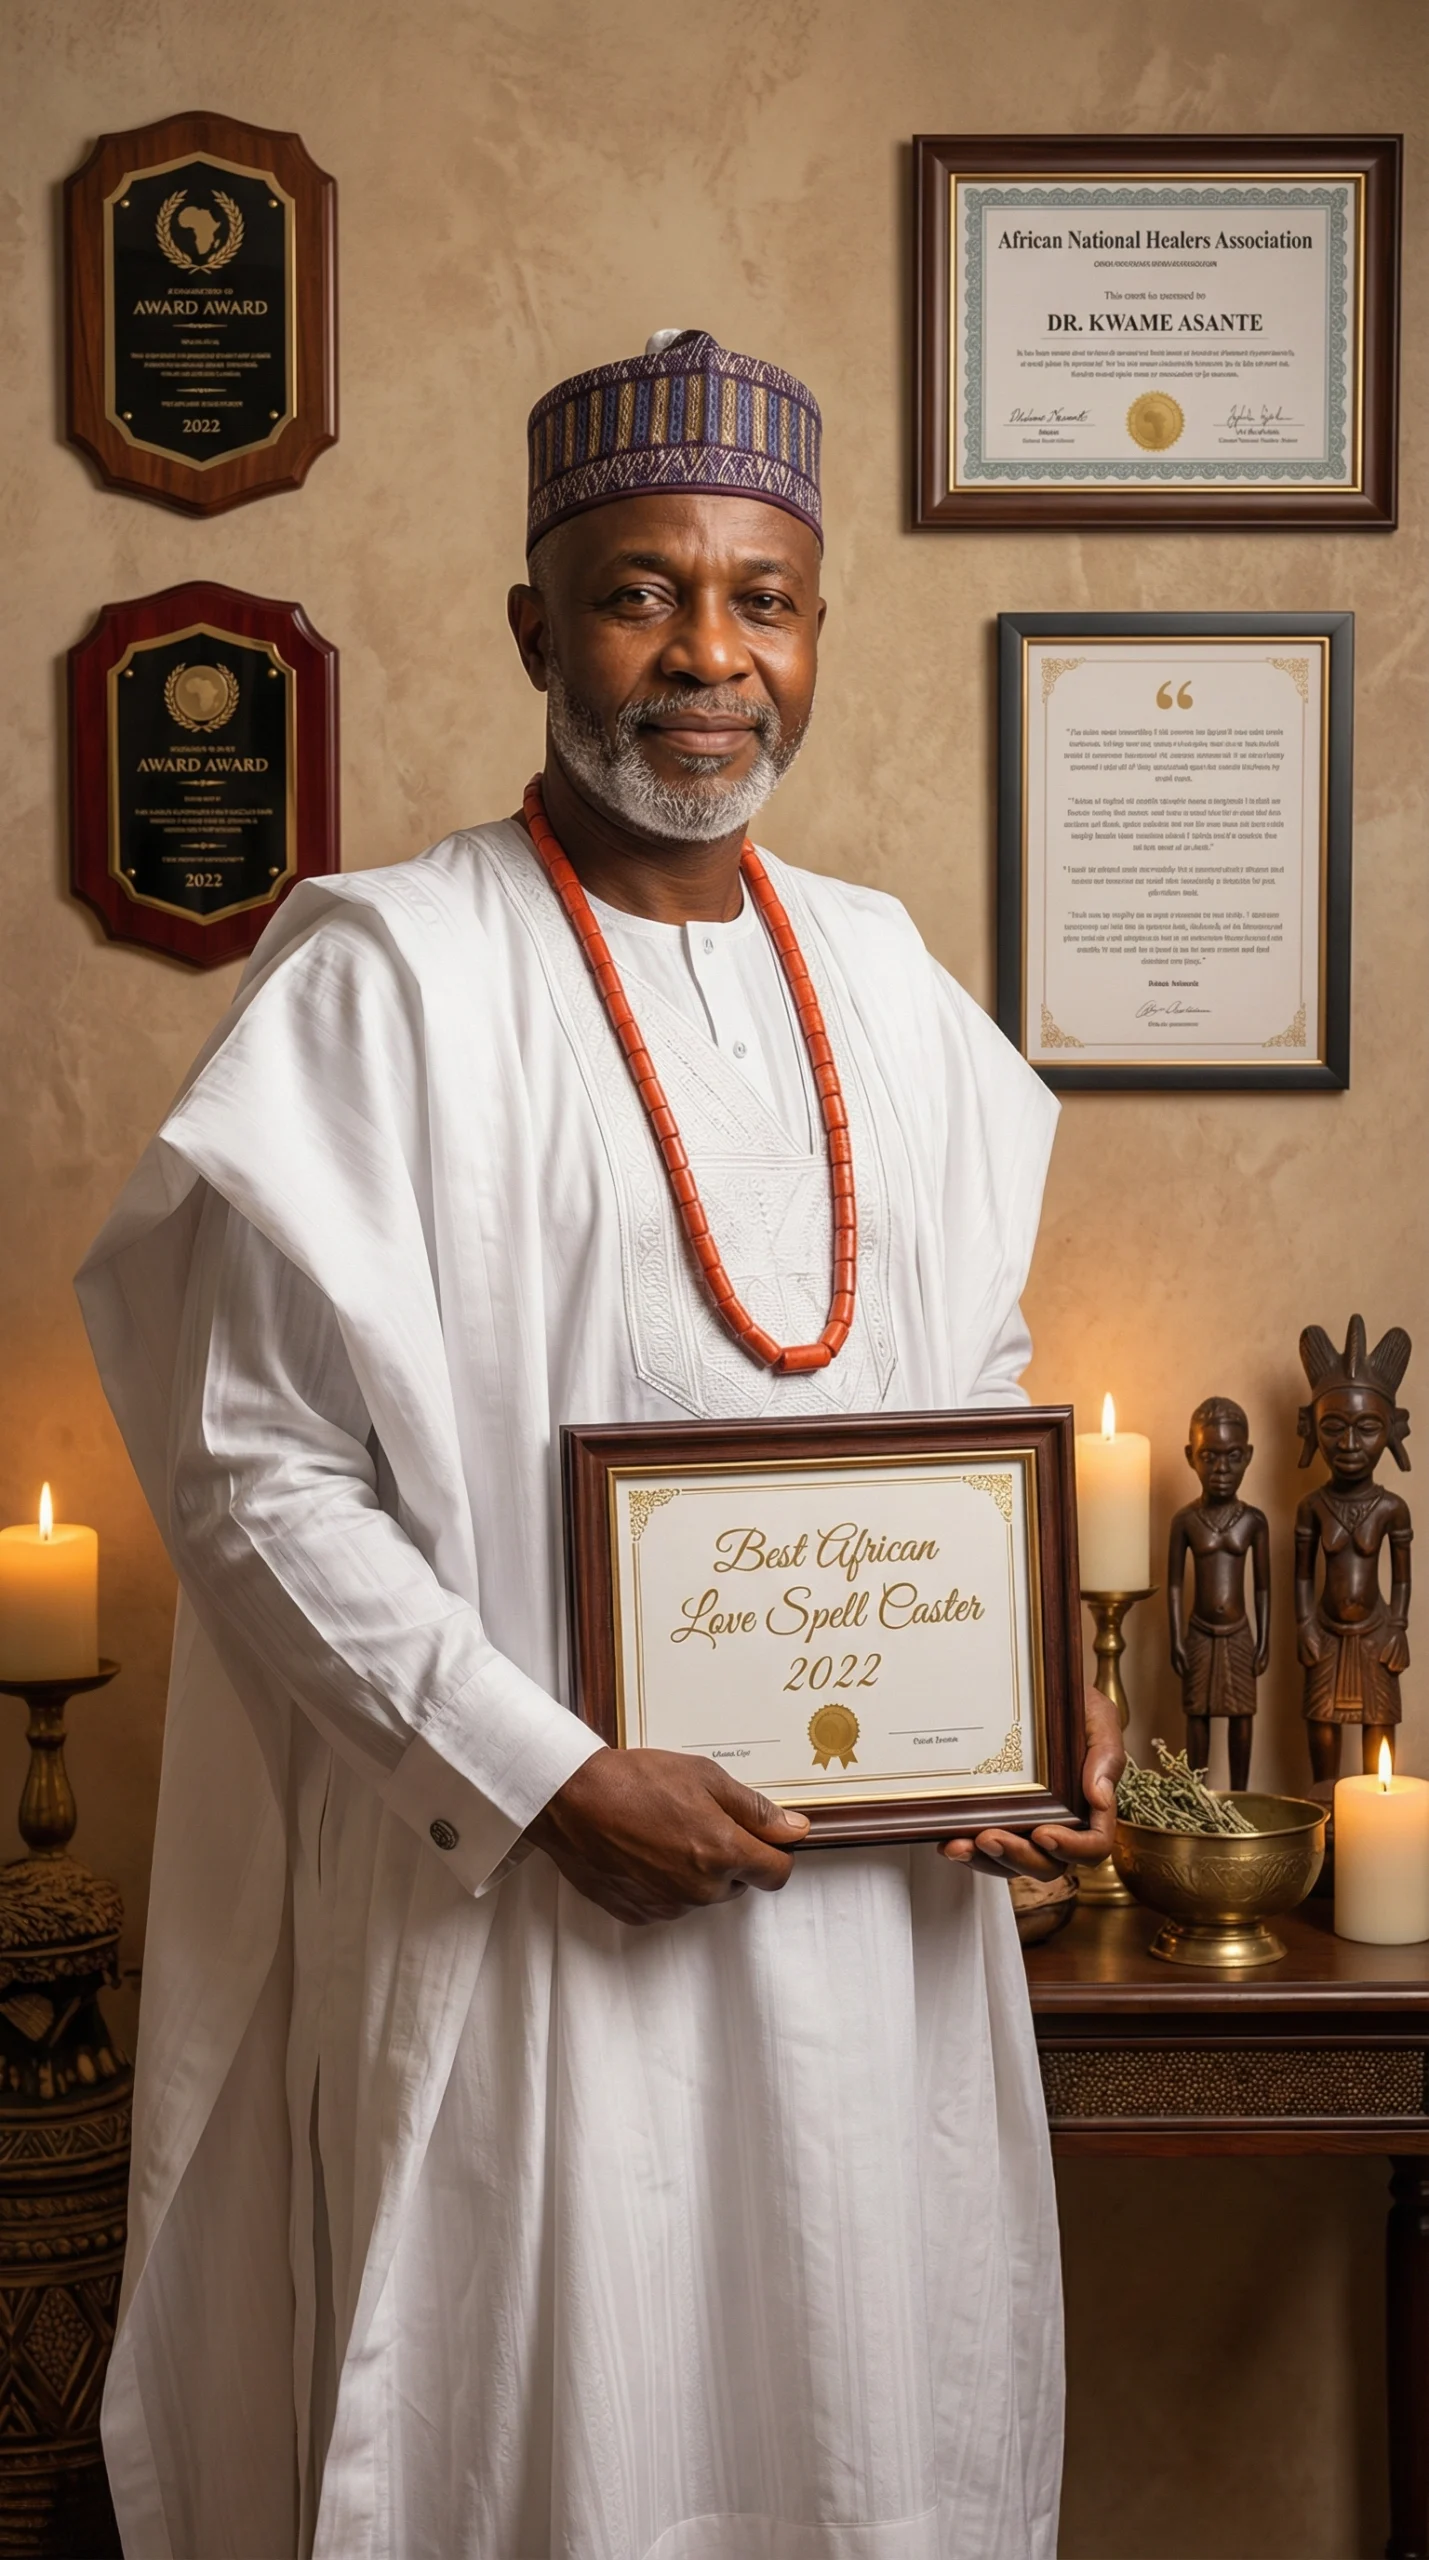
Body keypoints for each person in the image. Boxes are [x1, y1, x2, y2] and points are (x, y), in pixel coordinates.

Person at [80, 329, 1120, 2560]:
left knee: (865, 2440)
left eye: (760, 595)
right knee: (561, 2448)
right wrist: (546, 1778)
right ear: (535, 620)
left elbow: (966, 1373)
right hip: (531, 1918)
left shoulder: (891, 978)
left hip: (869, 1949)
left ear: (818, 629)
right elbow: (257, 1473)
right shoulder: (383, 975)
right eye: (643, 593)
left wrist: (1039, 1697)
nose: (707, 656)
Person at [1167, 1396, 1270, 1790]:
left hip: (1240, 1633)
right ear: (1191, 1455)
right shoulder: (1185, 1521)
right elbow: (1175, 1582)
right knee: (1198, 1715)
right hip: (1199, 1632)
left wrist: (1264, 1639)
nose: (1221, 1469)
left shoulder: (1254, 1521)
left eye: (1232, 1456)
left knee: (1242, 1715)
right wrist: (1176, 1637)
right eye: (1209, 1456)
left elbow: (1262, 1586)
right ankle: (1197, 1793)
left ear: (1248, 1456)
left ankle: (1240, 1794)